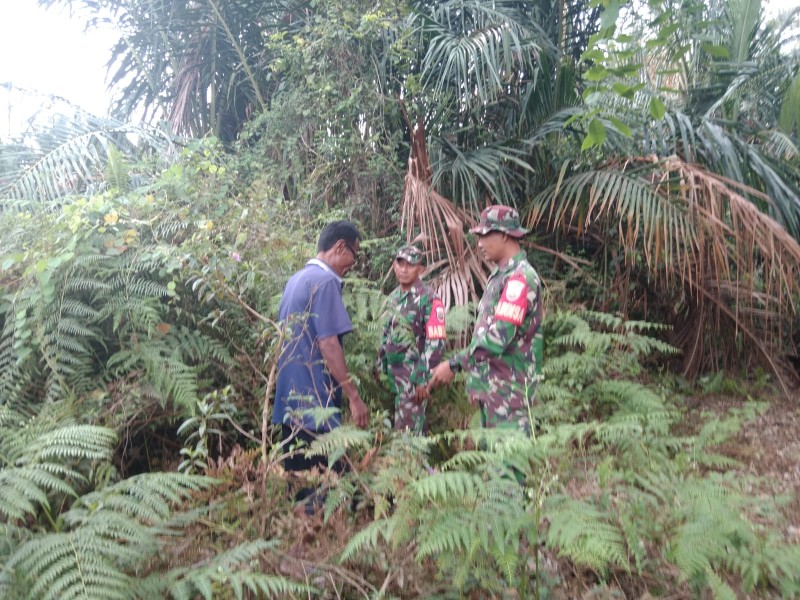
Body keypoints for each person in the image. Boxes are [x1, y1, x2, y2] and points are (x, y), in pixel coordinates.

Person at [428, 205, 543, 433]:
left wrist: (454, 364)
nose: (478, 243)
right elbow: (486, 331)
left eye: (484, 235)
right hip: (494, 392)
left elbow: (499, 337)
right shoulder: (500, 275)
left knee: (507, 466)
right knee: (492, 465)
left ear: (503, 234)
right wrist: (479, 381)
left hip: (510, 396)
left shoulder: (520, 278)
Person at [273, 220, 369, 482]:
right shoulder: (325, 281)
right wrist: (354, 396)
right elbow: (328, 343)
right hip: (316, 402)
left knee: (299, 482)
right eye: (354, 255)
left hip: (290, 401)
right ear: (340, 247)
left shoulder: (296, 280)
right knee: (322, 484)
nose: (352, 264)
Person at [378, 244, 446, 433]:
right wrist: (379, 367)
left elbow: (436, 342)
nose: (404, 269)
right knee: (402, 430)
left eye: (410, 265)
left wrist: (423, 379)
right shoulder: (393, 298)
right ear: (394, 266)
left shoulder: (430, 299)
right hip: (392, 378)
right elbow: (385, 334)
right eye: (400, 264)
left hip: (413, 379)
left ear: (421, 269)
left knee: (407, 436)